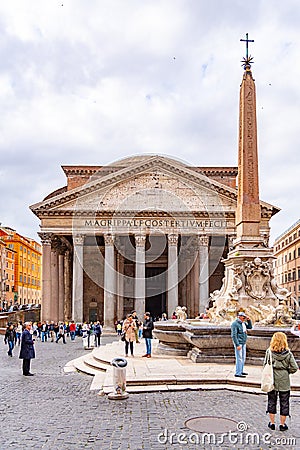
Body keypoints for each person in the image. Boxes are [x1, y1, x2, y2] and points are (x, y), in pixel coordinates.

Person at [265, 331, 299, 431]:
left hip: (272, 380)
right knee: (284, 402)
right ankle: (282, 424)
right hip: (284, 380)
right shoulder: (288, 353)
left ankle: (272, 423)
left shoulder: (269, 352)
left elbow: (265, 365)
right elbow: (295, 367)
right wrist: (287, 371)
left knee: (271, 401)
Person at [231, 311, 252, 377]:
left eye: (244, 317)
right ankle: (238, 373)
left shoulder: (243, 323)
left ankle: (241, 371)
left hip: (243, 342)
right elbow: (234, 335)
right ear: (239, 317)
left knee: (243, 358)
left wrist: (249, 321)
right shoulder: (235, 324)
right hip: (239, 343)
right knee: (239, 358)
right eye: (243, 317)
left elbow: (250, 327)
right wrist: (237, 344)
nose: (244, 318)